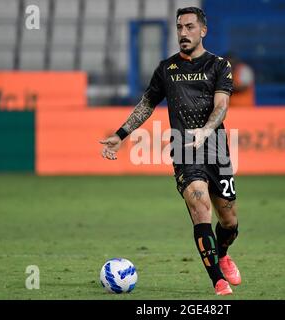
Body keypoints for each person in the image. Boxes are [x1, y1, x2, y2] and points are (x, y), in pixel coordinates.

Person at [99, 7, 240, 296]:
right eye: (179, 28)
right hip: (184, 149)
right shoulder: (166, 68)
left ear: (203, 30)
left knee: (229, 221)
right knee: (200, 208)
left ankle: (223, 254)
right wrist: (121, 133)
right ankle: (218, 281)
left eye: (189, 27)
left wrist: (205, 130)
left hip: (215, 147)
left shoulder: (219, 65)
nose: (183, 33)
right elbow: (147, 104)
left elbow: (222, 105)